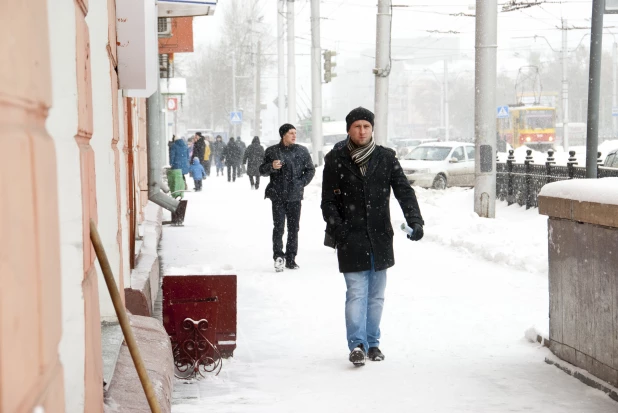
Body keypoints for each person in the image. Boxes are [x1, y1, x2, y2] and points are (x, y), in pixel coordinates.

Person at [321, 107, 424, 367]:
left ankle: (373, 343)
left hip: (379, 237)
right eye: (357, 126)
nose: (362, 130)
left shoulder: (386, 157)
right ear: (349, 129)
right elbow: (327, 202)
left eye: (366, 126)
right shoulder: (335, 159)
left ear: (372, 128)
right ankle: (356, 344)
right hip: (350, 237)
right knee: (356, 293)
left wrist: (415, 220)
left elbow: (404, 191)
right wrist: (339, 228)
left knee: (376, 296)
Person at [259, 124, 315, 272]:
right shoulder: (272, 151)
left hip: (295, 196)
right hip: (277, 195)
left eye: (295, 133)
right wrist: (271, 166)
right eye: (291, 133)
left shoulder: (302, 151)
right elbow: (261, 170)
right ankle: (278, 257)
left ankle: (291, 258)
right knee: (278, 227)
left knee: (293, 228)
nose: (294, 136)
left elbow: (310, 169)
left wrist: (301, 183)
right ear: (283, 135)